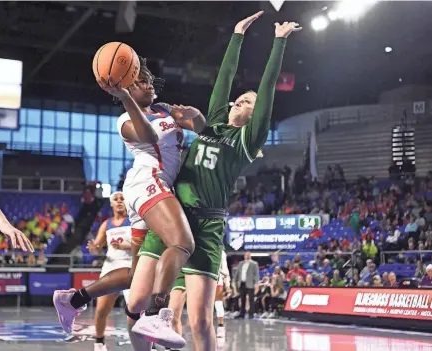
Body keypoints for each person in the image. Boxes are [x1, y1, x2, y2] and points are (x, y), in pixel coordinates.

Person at [130, 12, 301, 350]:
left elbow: (267, 91)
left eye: (250, 101)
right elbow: (225, 77)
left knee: (201, 322)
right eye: (242, 96)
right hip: (175, 216)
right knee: (136, 304)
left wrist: (278, 42)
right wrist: (236, 34)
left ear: (256, 115)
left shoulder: (248, 141)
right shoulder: (215, 122)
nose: (243, 98)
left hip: (206, 227)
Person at [53, 57, 206, 349]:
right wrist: (124, 97)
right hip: (149, 183)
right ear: (125, 89)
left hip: (146, 190)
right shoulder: (124, 119)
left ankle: (73, 299)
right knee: (183, 243)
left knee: (138, 275)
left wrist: (194, 114)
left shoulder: (164, 110)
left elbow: (202, 128)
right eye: (137, 82)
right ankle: (156, 314)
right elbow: (148, 137)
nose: (146, 84)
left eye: (147, 80)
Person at [77, 192, 131, 351]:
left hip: (131, 265)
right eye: (116, 199)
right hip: (111, 266)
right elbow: (97, 248)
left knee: (136, 310)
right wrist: (94, 248)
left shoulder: (134, 221)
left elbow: (142, 245)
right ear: (112, 204)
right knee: (101, 310)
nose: (120, 201)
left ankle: (150, 344)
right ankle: (99, 343)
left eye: (122, 199)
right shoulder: (106, 224)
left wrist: (124, 247)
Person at [234, 252, 260, 319]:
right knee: (242, 299)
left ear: (250, 256)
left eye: (249, 255)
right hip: (242, 283)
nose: (247, 256)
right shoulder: (241, 263)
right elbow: (237, 273)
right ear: (244, 256)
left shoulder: (254, 264)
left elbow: (256, 274)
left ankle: (251, 314)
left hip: (250, 283)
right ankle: (242, 313)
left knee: (251, 299)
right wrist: (235, 280)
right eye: (246, 255)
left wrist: (256, 283)